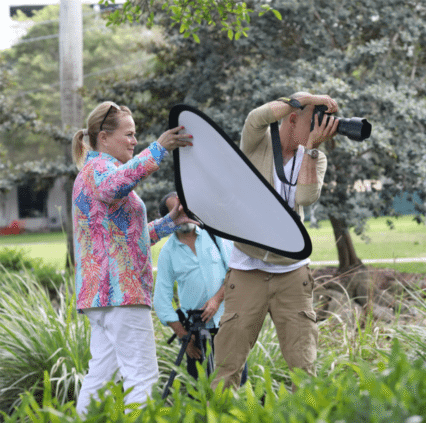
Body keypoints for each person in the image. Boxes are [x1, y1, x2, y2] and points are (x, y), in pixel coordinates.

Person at [72, 101, 196, 415]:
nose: (134, 140)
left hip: (103, 298)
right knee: (142, 377)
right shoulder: (101, 170)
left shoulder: (94, 172)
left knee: (100, 378)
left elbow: (128, 238)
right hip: (121, 294)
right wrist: (159, 149)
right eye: (128, 134)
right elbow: (115, 186)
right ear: (103, 138)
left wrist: (171, 221)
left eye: (136, 135)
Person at [210, 92, 338, 390]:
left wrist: (311, 149)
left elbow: (305, 197)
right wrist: (305, 98)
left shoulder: (316, 157)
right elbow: (257, 117)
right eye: (314, 122)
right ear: (292, 118)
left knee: (303, 367)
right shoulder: (258, 142)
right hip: (247, 269)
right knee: (228, 365)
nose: (320, 130)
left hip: (292, 272)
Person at [153, 192, 247, 384]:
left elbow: (236, 272)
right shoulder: (168, 253)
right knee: (200, 390)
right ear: (168, 218)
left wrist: (216, 300)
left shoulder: (215, 236)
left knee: (236, 385)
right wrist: (183, 336)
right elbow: (161, 301)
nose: (183, 214)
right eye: (176, 211)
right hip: (194, 332)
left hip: (228, 324)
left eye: (186, 208)